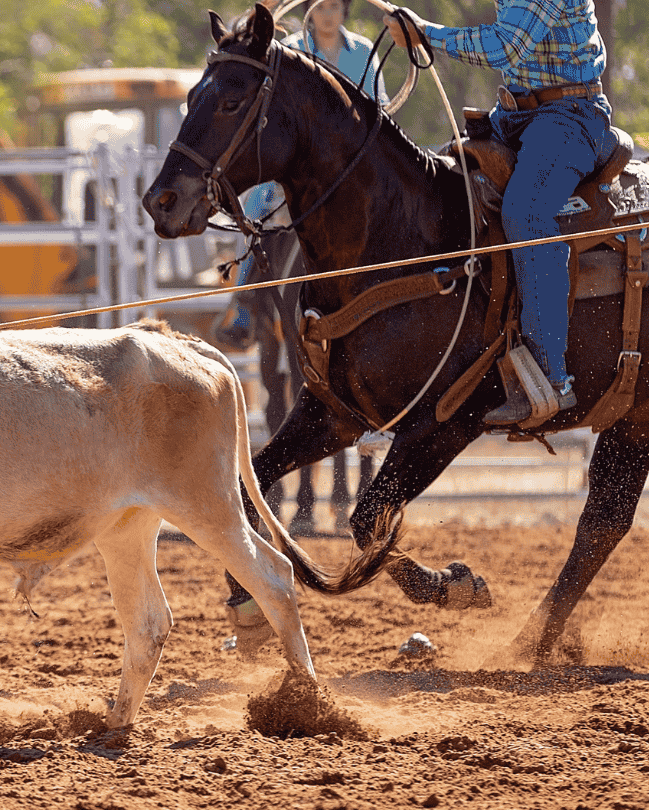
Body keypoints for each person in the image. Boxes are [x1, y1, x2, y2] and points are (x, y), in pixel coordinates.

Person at [384, 1, 611, 424]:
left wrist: (424, 33)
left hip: (569, 116)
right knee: (442, 192)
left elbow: (505, 46)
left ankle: (549, 378)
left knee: (527, 214)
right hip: (514, 116)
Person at [216, 0, 385, 532]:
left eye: (336, 5)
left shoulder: (364, 57)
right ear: (311, 11)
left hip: (348, 182)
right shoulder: (288, 52)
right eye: (321, 5)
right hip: (297, 181)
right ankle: (248, 301)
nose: (328, 13)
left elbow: (379, 119)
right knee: (260, 215)